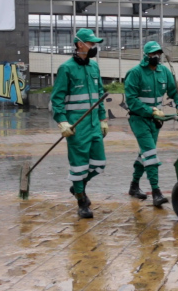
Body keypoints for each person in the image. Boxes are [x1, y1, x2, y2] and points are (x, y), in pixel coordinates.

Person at [50, 28, 108, 219]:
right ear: (79, 44)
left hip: (93, 125)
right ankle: (82, 201)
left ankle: (77, 187)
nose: (94, 47)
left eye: (94, 44)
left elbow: (100, 94)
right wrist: (62, 122)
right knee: (78, 166)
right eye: (91, 43)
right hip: (76, 126)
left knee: (99, 163)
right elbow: (56, 99)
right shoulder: (66, 68)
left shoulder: (94, 67)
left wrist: (103, 119)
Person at [124, 41, 178, 207]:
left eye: (158, 53)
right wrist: (150, 110)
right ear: (145, 55)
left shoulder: (163, 72)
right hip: (139, 119)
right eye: (152, 54)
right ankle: (156, 192)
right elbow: (131, 100)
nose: (155, 56)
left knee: (144, 153)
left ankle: (134, 186)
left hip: (155, 121)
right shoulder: (135, 73)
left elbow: (175, 91)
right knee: (150, 153)